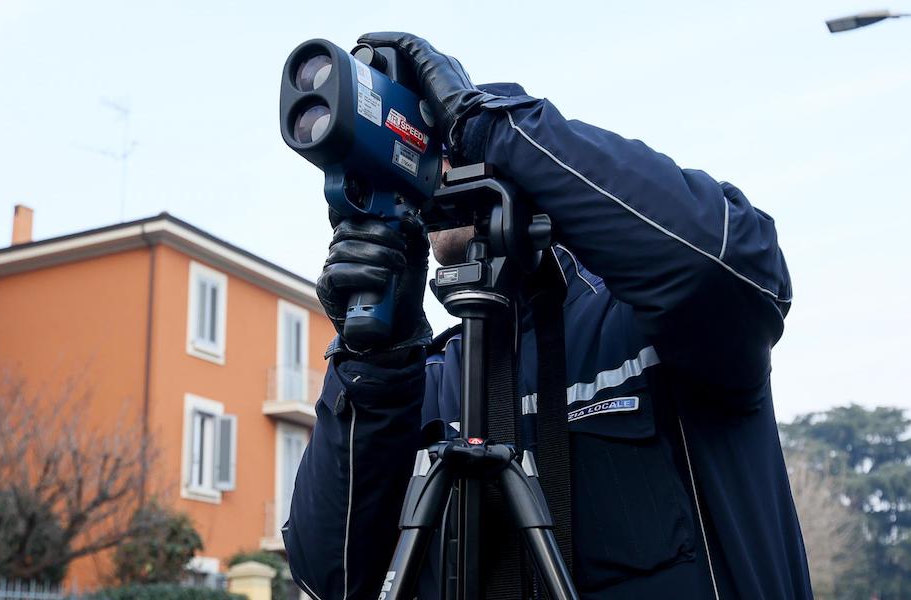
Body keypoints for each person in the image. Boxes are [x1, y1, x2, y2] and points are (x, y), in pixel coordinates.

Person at [284, 32, 813, 600]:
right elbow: (329, 576)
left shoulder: (644, 327)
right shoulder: (425, 386)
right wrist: (374, 363)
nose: (436, 165)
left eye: (442, 138)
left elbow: (728, 261)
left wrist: (494, 125)